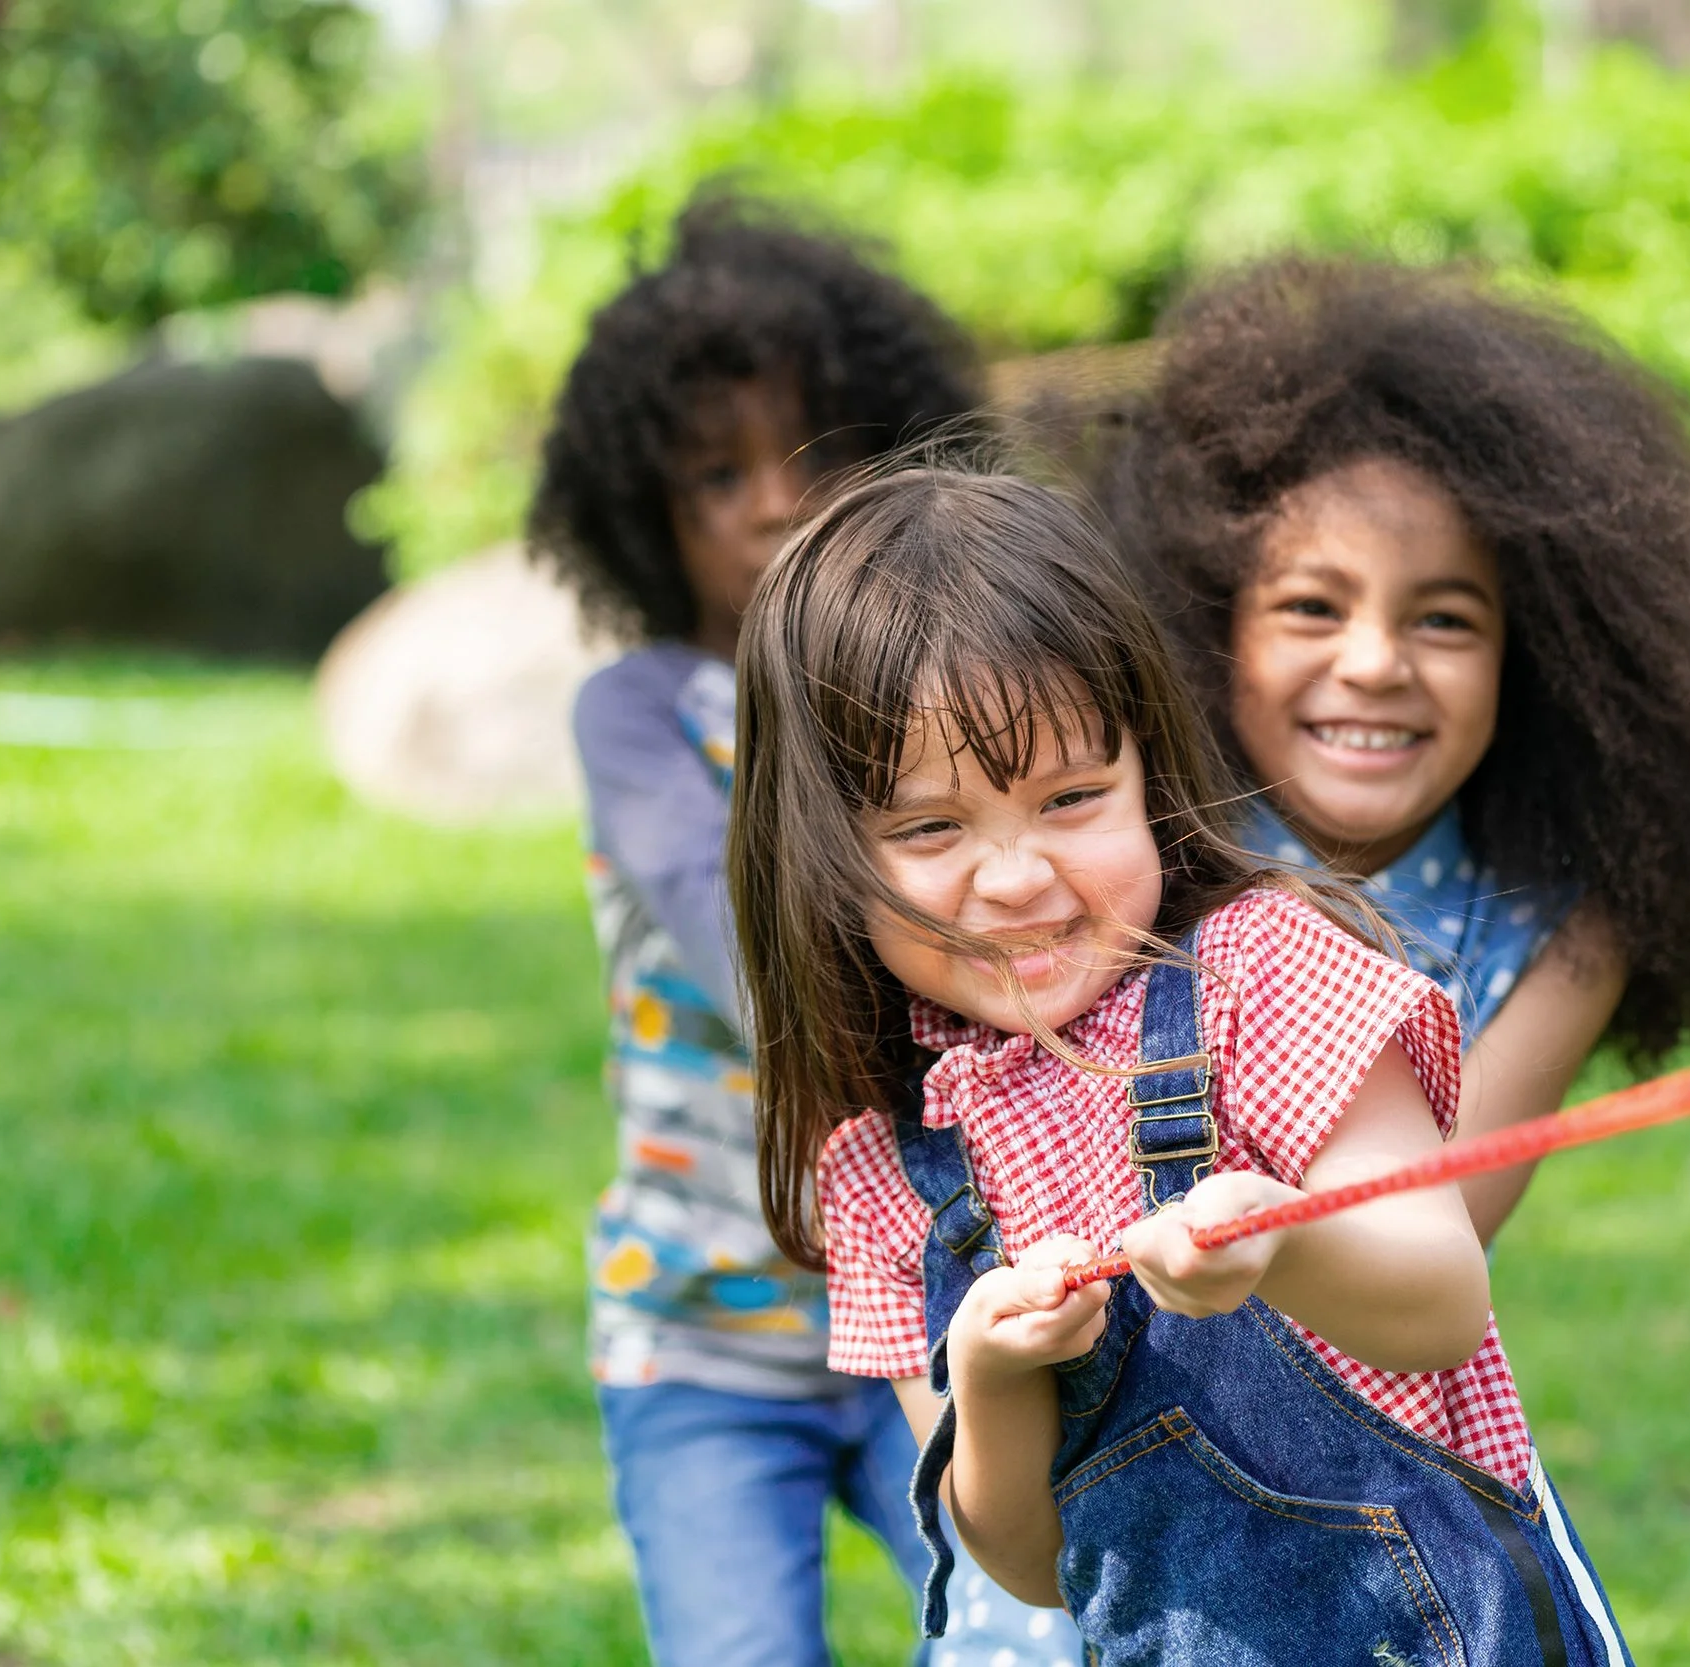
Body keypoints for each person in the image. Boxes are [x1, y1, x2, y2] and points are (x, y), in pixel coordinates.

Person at [725, 466, 1637, 1666]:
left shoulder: (1262, 972)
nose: (1015, 876)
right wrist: (993, 1377)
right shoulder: (882, 1160)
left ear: (1150, 772)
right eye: (930, 826)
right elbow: (1034, 1566)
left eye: (1072, 797)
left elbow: (1439, 1298)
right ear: (821, 853)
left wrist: (1287, 1239)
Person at [528, 195, 1080, 1667]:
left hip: (962, 1305)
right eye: (716, 474)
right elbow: (746, 955)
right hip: (709, 1333)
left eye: (814, 453)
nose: (776, 501)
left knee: (1037, 1637)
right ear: (643, 514)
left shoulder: (960, 712)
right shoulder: (647, 712)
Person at [1099, 257, 1690, 1241]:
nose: (1376, 662)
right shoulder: (1140, 843)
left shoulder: (1564, 932)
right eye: (1311, 605)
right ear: (1207, 627)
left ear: (1543, 663)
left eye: (1443, 621)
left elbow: (1437, 1239)